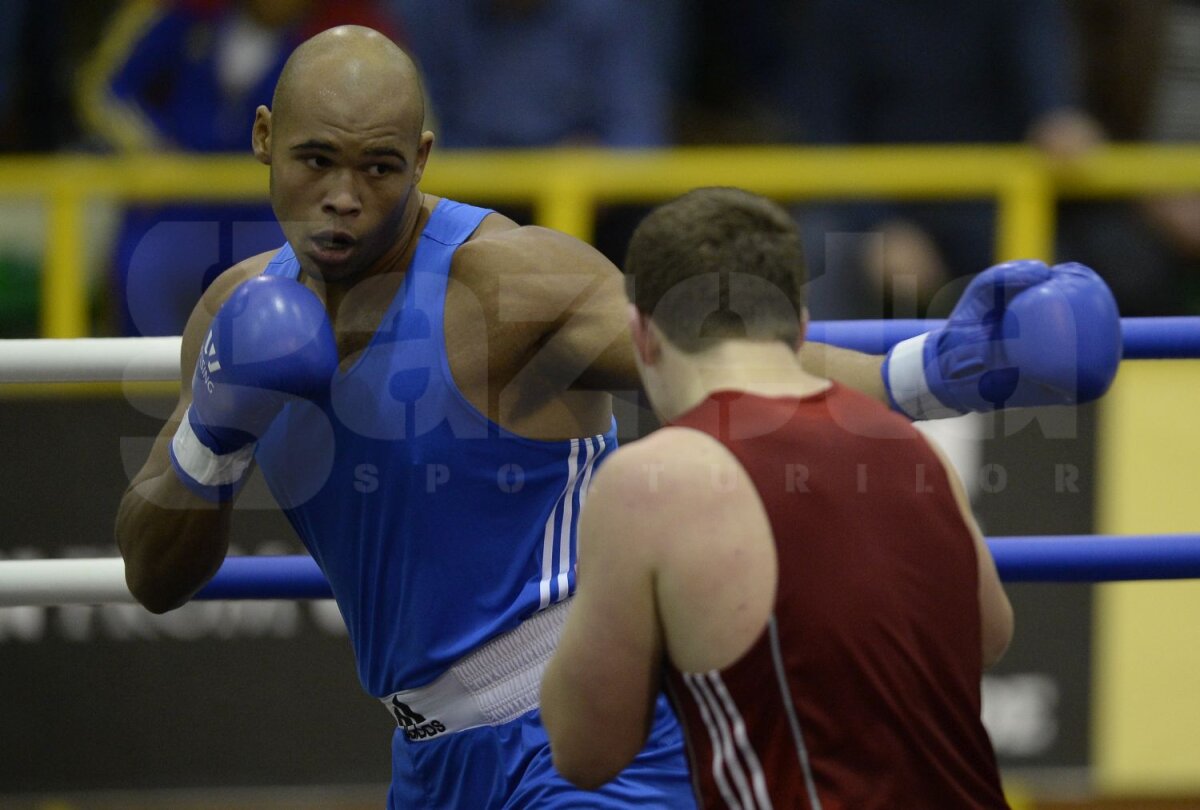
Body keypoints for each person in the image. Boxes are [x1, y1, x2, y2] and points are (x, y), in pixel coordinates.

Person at [114, 26, 1121, 808]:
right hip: (427, 759)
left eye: (379, 168)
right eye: (316, 161)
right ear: (261, 141)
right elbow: (155, 577)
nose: (342, 198)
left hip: (596, 740)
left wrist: (945, 368)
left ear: (423, 156)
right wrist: (214, 430)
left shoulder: (508, 278)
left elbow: (736, 361)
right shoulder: (231, 312)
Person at [540, 187, 1021, 806]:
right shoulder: (914, 447)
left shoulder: (653, 480)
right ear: (799, 327)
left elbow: (584, 752)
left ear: (642, 336)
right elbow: (989, 635)